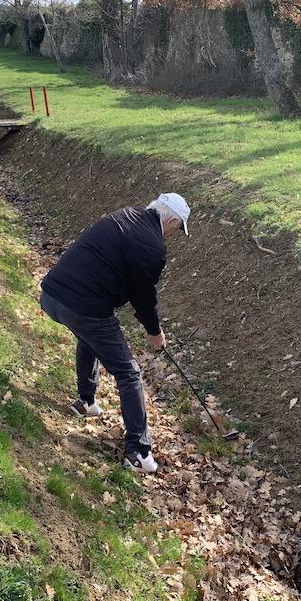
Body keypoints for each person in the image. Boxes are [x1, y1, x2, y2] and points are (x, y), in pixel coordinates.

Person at [39, 193, 190, 474]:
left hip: (51, 295)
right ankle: (138, 452)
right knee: (129, 372)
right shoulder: (153, 247)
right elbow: (143, 296)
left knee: (89, 336)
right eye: (176, 228)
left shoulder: (126, 215)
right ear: (170, 220)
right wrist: (154, 332)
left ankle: (86, 402)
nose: (173, 234)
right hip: (80, 304)